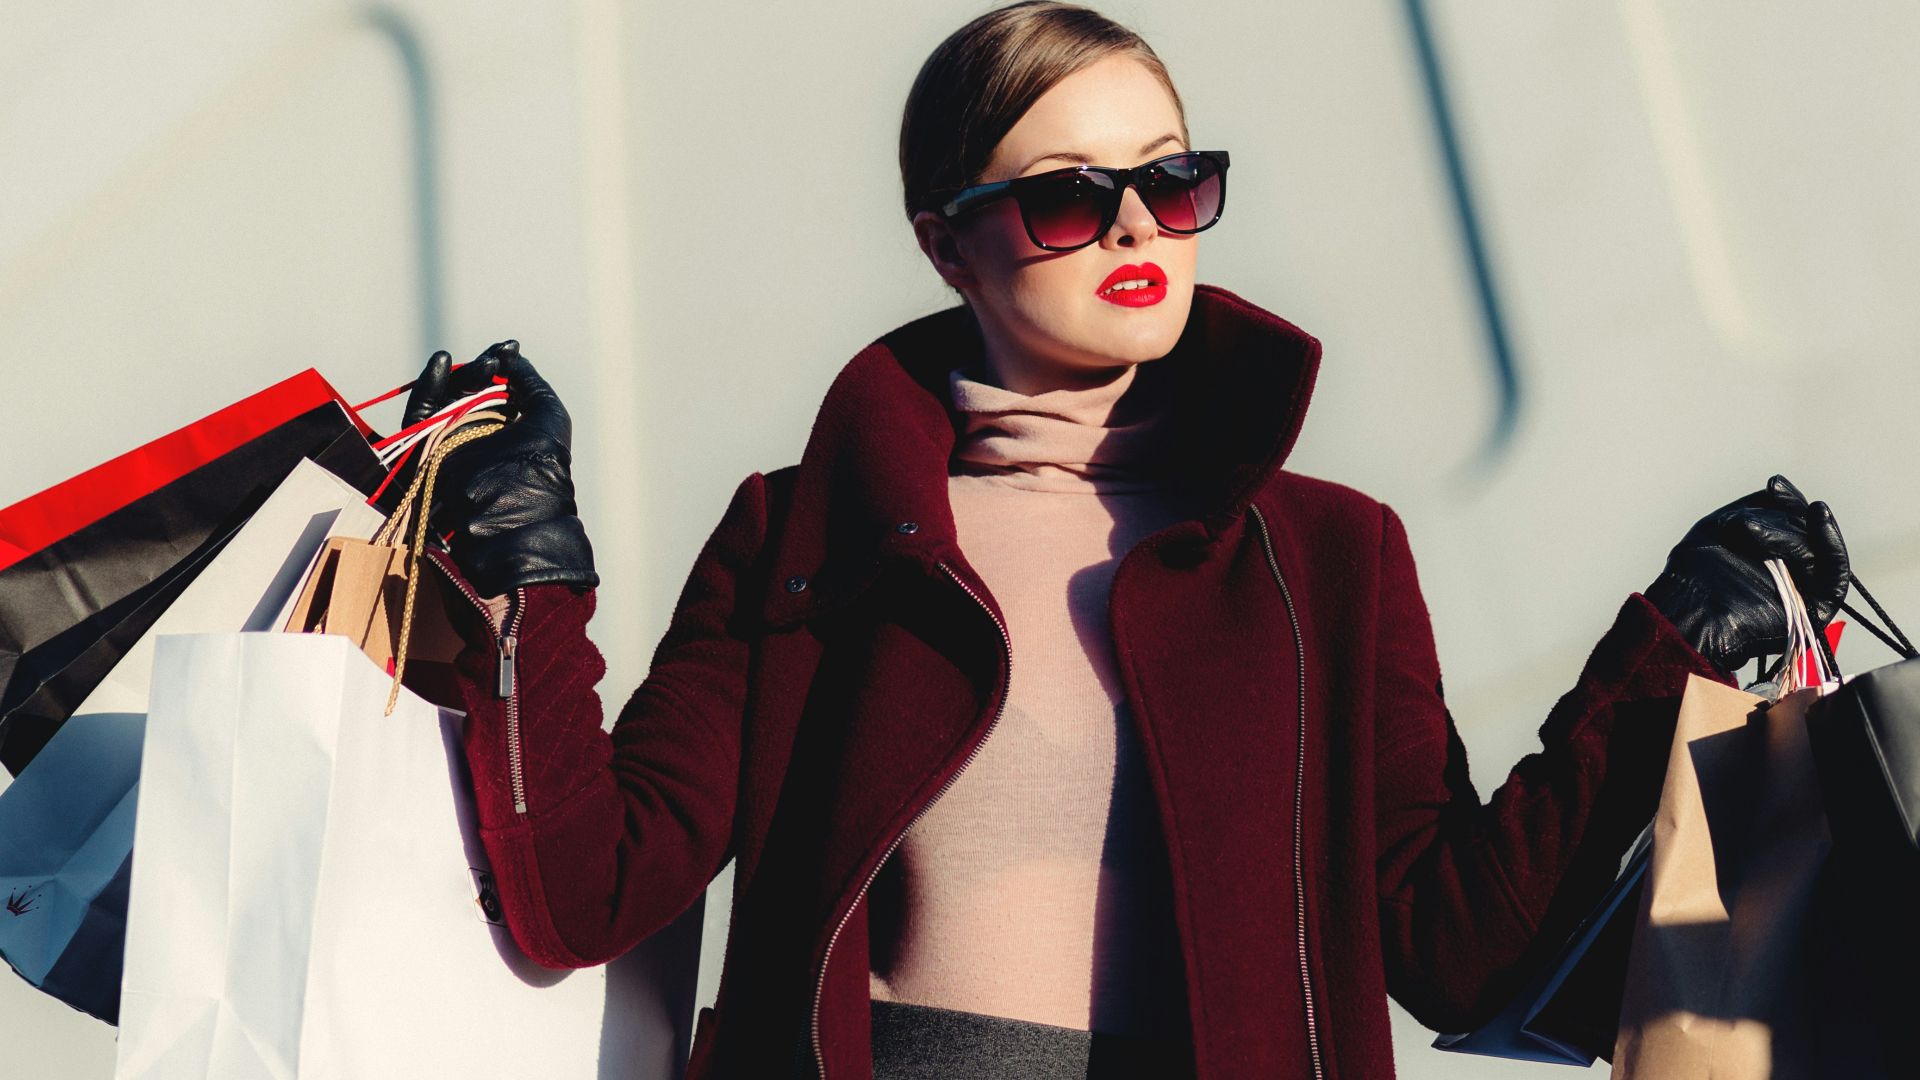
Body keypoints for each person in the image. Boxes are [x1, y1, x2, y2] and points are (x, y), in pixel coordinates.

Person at [398, 4, 1850, 1078]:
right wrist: (531, 576)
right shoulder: (810, 532)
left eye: (1172, 179)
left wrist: (1664, 657)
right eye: (1064, 198)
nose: (1135, 227)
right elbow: (585, 887)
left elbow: (1453, 952)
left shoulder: (1330, 559)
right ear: (943, 242)